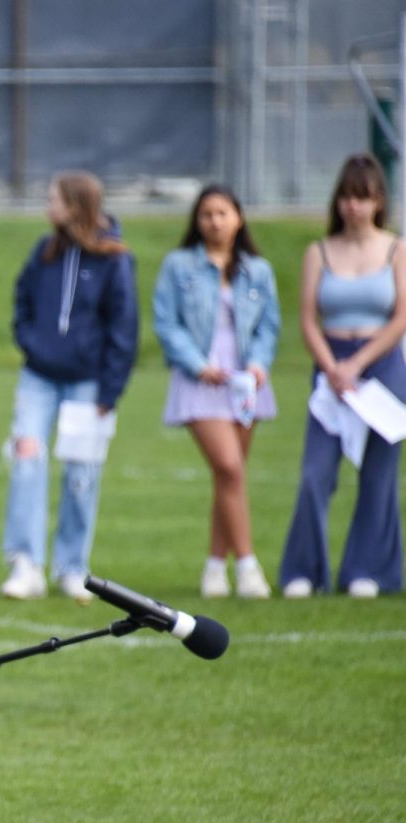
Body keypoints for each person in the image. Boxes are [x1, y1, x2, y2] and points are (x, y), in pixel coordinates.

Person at [0, 172, 138, 602]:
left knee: (81, 473)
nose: (47, 205)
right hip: (38, 378)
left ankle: (72, 567)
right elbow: (21, 301)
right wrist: (31, 342)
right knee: (26, 463)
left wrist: (109, 392)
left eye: (52, 198)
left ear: (75, 206)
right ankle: (25, 565)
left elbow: (124, 326)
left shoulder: (114, 259)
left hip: (88, 386)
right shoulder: (44, 251)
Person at [279, 153, 406, 598]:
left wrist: (360, 361)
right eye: (348, 198)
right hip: (331, 369)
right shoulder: (319, 252)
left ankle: (368, 571)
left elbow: (400, 318)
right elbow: (308, 319)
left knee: (378, 473)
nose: (355, 207)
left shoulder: (396, 249)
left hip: (383, 365)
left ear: (378, 201)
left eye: (364, 198)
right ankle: (304, 571)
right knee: (316, 471)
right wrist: (333, 366)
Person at [153, 184, 280, 599]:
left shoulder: (257, 270)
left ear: (238, 218)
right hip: (201, 379)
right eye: (207, 214)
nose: (214, 221)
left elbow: (269, 325)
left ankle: (213, 567)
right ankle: (247, 567)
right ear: (197, 220)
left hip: (244, 382)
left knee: (231, 477)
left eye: (222, 213)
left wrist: (259, 363)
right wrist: (196, 364)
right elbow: (166, 322)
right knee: (229, 467)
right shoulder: (179, 266)